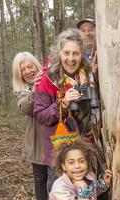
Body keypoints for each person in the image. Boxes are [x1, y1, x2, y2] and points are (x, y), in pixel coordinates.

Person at [33, 28, 100, 168]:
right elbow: (40, 115)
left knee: (88, 189)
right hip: (59, 152)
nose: (71, 59)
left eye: (76, 53)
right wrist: (62, 104)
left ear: (82, 54)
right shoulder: (48, 78)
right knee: (60, 190)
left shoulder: (89, 74)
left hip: (87, 149)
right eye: (66, 53)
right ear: (59, 53)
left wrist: (96, 78)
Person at [11, 52, 55, 200]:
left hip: (55, 138)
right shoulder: (22, 91)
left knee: (55, 177)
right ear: (19, 74)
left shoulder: (50, 79)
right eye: (23, 69)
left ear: (37, 65)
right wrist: (36, 90)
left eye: (30, 66)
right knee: (40, 179)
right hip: (36, 142)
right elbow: (26, 108)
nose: (28, 71)